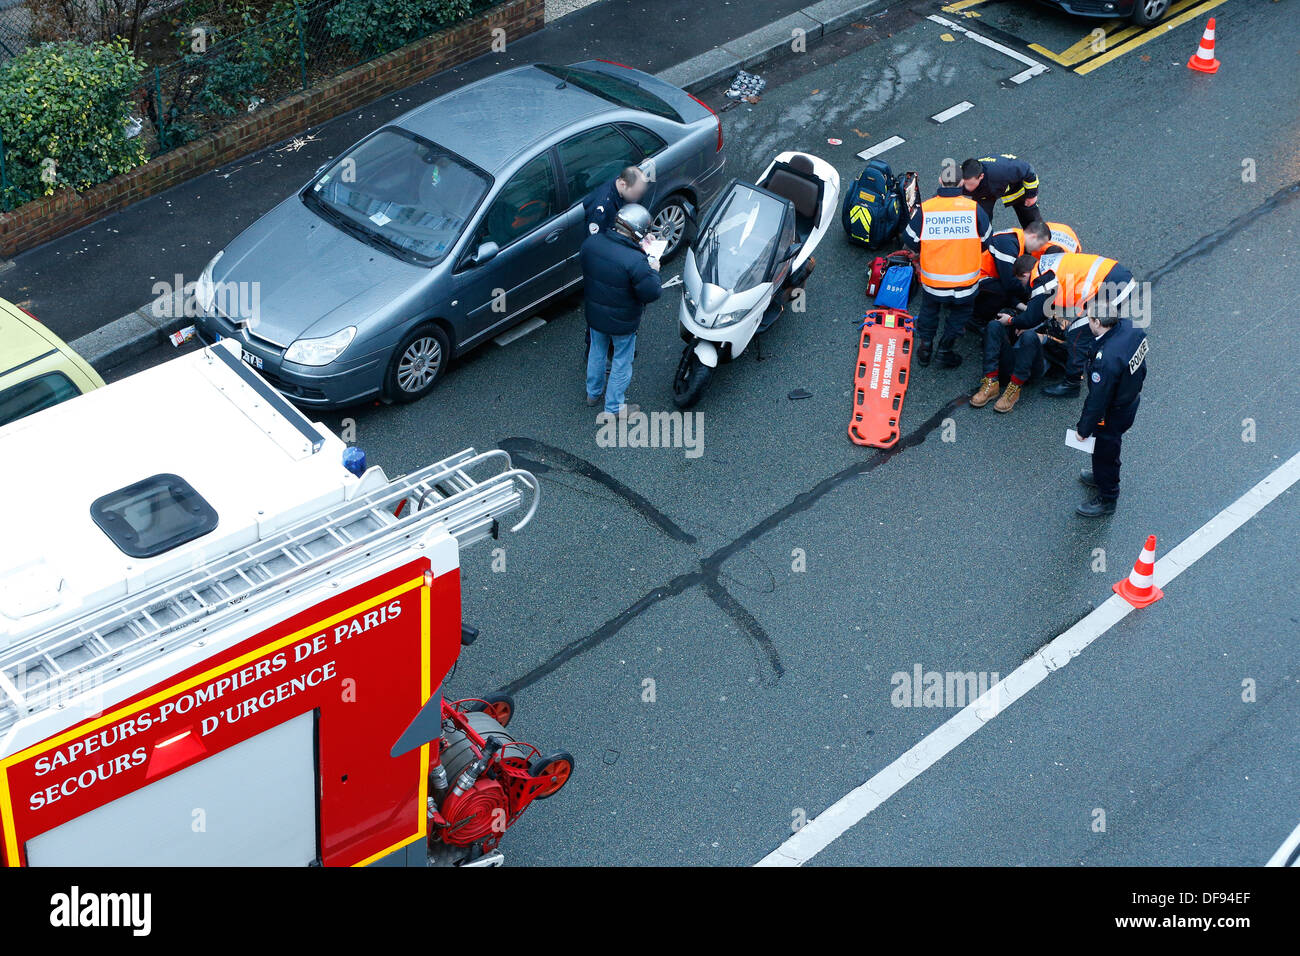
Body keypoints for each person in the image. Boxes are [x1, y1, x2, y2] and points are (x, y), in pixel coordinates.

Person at [902, 164, 992, 369]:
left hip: (934, 282)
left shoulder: (927, 209)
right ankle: (945, 349)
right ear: (962, 184)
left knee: (929, 310)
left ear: (940, 181)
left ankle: (925, 348)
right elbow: (987, 240)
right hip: (966, 283)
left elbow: (909, 238)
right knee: (961, 313)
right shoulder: (973, 209)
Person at [579, 203, 661, 417]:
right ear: (637, 232)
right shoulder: (636, 261)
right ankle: (614, 407)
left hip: (595, 315)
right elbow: (651, 293)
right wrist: (653, 270)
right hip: (622, 321)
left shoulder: (591, 243)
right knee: (622, 361)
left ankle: (593, 394)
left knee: (597, 352)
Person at [1024, 251, 1138, 397]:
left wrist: (1014, 321)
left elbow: (1034, 316)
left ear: (1025, 274)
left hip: (1114, 286)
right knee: (1087, 329)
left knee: (1077, 334)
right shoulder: (1046, 263)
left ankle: (1072, 384)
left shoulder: (1040, 276)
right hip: (1115, 278)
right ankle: (1096, 358)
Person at [1072, 312, 1148, 517]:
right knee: (1104, 448)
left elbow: (1098, 399)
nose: (1087, 323)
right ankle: (1100, 477)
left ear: (1098, 322)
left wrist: (1083, 429)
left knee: (1106, 452)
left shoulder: (1106, 360)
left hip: (1113, 410)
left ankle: (1108, 497)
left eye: (1089, 320)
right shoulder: (1132, 328)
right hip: (1130, 399)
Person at [969, 254, 1045, 414]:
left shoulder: (1058, 298)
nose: (1024, 286)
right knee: (994, 325)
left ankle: (1014, 389)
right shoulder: (1029, 292)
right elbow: (1011, 298)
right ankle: (991, 381)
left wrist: (1040, 333)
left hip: (1033, 365)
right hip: (1011, 358)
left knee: (1030, 336)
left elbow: (1065, 343)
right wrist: (1021, 316)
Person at [960, 155, 1042, 228]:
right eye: (965, 184)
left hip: (1014, 186)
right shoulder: (957, 176)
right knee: (981, 221)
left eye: (971, 184)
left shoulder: (1005, 170)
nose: (967, 188)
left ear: (981, 176)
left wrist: (1031, 195)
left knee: (1030, 218)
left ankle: (1040, 240)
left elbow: (1029, 172)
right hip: (984, 194)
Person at [584, 166, 649, 236]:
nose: (637, 198)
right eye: (635, 193)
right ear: (623, 184)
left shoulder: (622, 188)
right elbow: (597, 241)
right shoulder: (602, 208)